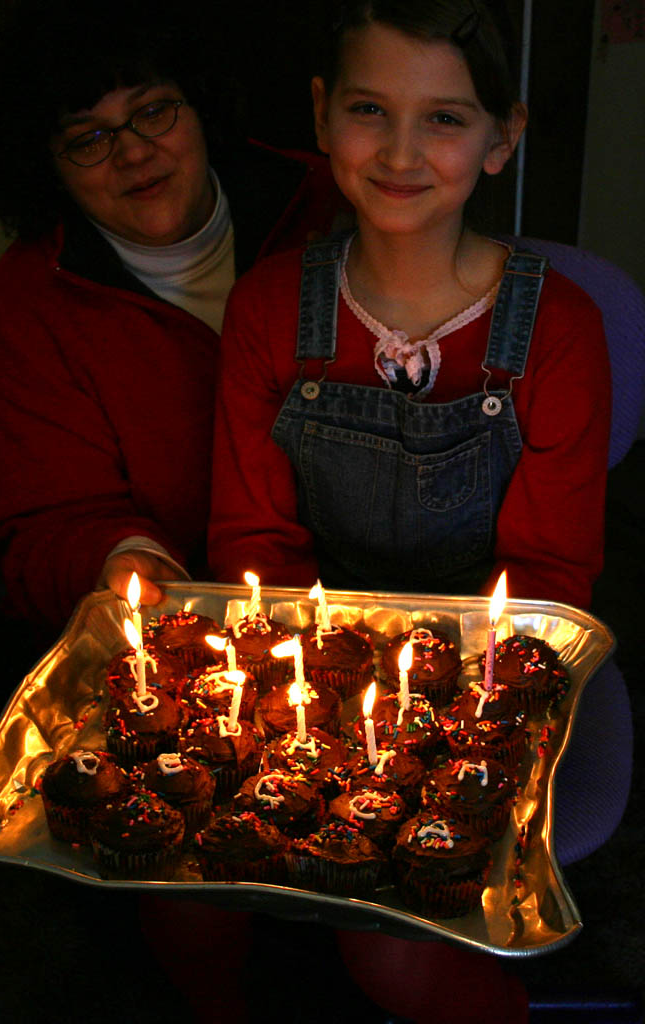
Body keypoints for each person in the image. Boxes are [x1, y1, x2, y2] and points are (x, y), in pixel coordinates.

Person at [207, 2, 631, 1020]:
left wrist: (432, 734)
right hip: (312, 678)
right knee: (196, 904)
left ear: (503, 140)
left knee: (389, 950)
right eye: (368, 109)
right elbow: (251, 543)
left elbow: (553, 578)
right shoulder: (269, 308)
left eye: (444, 118)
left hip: (492, 683)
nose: (400, 152)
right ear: (321, 114)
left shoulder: (558, 331)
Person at [0, 0, 345, 637]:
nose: (133, 153)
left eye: (153, 111)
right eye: (89, 139)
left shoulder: (330, 205)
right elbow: (39, 532)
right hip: (178, 634)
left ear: (200, 105)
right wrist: (121, 557)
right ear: (46, 164)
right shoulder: (21, 312)